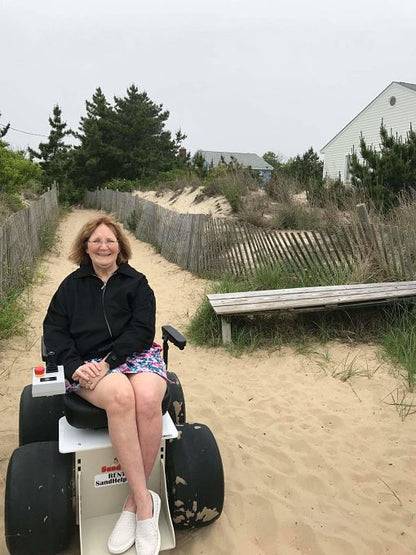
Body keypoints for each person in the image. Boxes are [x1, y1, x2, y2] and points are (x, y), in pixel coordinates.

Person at [43, 214, 168, 555]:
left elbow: (142, 331)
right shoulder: (71, 286)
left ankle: (131, 501)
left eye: (110, 240)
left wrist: (110, 362)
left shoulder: (136, 283)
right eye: (96, 240)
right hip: (86, 364)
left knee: (146, 397)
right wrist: (73, 366)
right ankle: (146, 505)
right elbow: (54, 331)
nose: (103, 246)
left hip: (131, 356)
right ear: (85, 246)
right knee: (120, 395)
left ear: (120, 247)